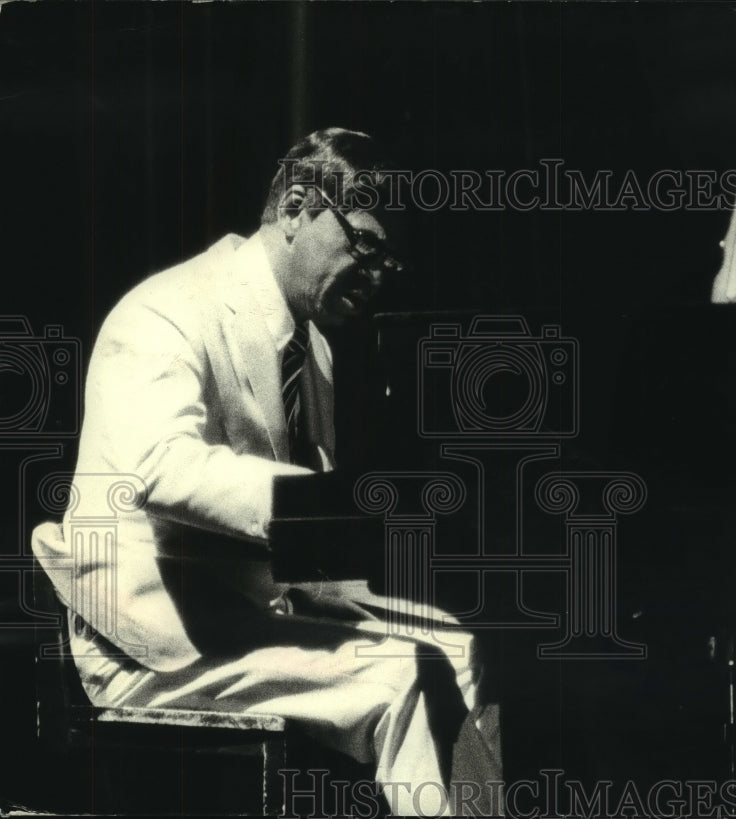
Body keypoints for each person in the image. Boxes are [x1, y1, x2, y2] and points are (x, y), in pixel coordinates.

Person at [32, 127, 500, 817]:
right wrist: (334, 506)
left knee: (459, 646)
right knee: (405, 674)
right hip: (151, 640)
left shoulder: (313, 348)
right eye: (365, 244)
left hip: (245, 612)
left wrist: (368, 557)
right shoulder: (167, 309)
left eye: (389, 260)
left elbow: (304, 541)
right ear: (295, 208)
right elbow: (159, 467)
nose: (375, 275)